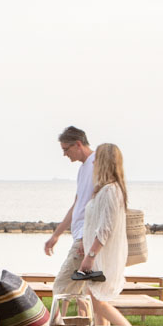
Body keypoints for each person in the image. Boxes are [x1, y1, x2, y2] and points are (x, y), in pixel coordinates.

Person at [75, 143, 131, 326]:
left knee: (97, 303)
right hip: (97, 255)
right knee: (97, 305)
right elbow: (94, 224)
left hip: (101, 257)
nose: (93, 163)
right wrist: (85, 243)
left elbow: (105, 228)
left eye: (97, 159)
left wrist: (91, 256)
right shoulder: (103, 189)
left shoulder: (110, 191)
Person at [43, 126, 96, 295]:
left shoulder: (97, 164)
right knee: (84, 294)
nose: (65, 154)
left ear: (78, 144)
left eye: (66, 149)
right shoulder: (83, 169)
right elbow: (77, 205)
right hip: (82, 237)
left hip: (85, 239)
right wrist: (56, 235)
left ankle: (56, 322)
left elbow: (98, 207)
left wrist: (85, 239)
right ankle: (83, 322)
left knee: (61, 288)